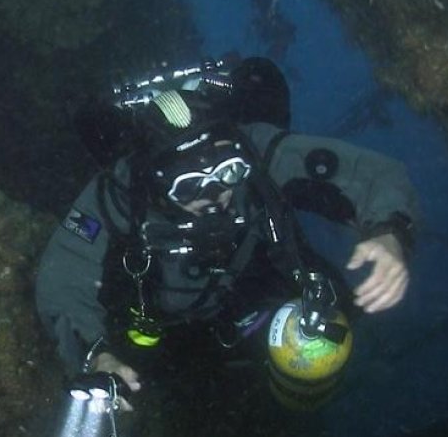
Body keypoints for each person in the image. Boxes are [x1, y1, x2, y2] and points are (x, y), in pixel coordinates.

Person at [35, 57, 418, 410]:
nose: (215, 193)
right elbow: (63, 273)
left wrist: (390, 230)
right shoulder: (119, 193)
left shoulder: (257, 146)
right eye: (188, 186)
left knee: (327, 332)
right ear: (155, 182)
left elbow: (367, 174)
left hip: (257, 283)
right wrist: (95, 351)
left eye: (229, 171)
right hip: (165, 325)